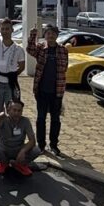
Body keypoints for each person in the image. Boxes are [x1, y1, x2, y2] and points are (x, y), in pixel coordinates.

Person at [27, 23, 69, 157]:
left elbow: (64, 68)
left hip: (57, 91)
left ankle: (54, 145)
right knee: (41, 118)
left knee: (55, 119)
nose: (51, 36)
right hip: (41, 91)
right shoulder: (41, 48)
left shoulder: (63, 50)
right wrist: (33, 34)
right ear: (45, 35)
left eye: (53, 33)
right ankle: (41, 145)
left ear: (57, 35)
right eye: (48, 33)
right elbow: (30, 49)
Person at [0, 100, 40, 176]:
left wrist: (23, 151)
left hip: (19, 148)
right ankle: (4, 164)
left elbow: (32, 140)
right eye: (14, 110)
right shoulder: (3, 119)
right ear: (8, 110)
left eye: (19, 111)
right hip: (5, 148)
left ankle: (20, 164)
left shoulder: (25, 121)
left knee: (36, 150)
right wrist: (0, 117)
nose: (16, 113)